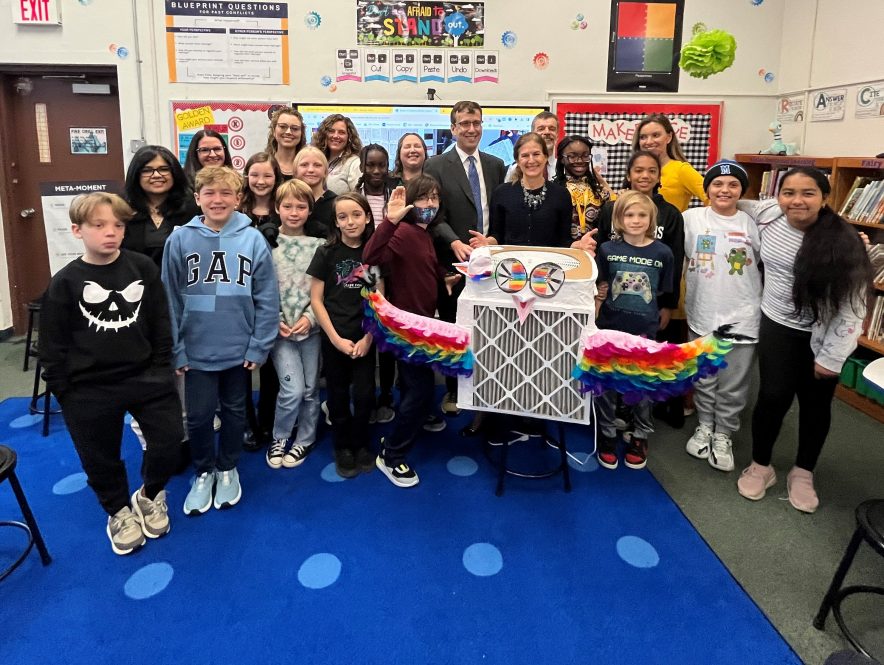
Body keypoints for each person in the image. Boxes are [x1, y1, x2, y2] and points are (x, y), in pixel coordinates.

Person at [39, 192, 183, 555]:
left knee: (168, 443)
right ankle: (118, 510)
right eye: (99, 225)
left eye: (118, 225)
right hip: (88, 386)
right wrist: (65, 392)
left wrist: (160, 369)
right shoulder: (65, 283)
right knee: (100, 456)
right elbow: (52, 344)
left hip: (146, 376)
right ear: (77, 230)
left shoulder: (142, 268)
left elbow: (159, 323)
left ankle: (150, 494)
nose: (111, 232)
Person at [735, 167, 871, 513]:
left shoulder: (846, 242)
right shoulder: (769, 215)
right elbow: (736, 199)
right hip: (777, 325)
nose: (796, 200)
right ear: (777, 196)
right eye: (788, 192)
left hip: (823, 335)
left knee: (815, 406)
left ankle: (803, 471)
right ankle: (761, 465)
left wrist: (833, 357)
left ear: (826, 198)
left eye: (808, 193)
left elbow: (853, 307)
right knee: (772, 396)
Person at [162, 166, 280, 515]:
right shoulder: (180, 239)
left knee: (234, 414)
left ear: (238, 198)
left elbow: (266, 297)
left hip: (238, 349)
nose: (218, 200)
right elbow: (169, 298)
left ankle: (228, 468)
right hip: (195, 351)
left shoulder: (252, 239)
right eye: (209, 193)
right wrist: (177, 347)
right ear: (197, 198)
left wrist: (259, 344)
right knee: (197, 417)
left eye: (225, 193)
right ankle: (203, 472)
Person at [363, 176, 456, 488]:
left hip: (422, 324)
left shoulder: (423, 234)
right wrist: (390, 221)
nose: (429, 205)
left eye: (434, 198)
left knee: (416, 385)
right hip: (407, 329)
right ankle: (391, 454)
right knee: (421, 390)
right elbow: (369, 257)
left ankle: (415, 418)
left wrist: (443, 276)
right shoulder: (402, 231)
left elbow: (423, 267)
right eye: (423, 199)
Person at [425, 100, 507, 416]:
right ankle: (452, 391)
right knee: (454, 329)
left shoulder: (496, 164)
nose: (471, 129)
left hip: (492, 262)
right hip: (453, 264)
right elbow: (433, 213)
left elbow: (499, 213)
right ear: (454, 128)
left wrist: (495, 241)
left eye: (476, 123)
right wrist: (455, 241)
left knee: (489, 329)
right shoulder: (435, 166)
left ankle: (488, 391)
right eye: (464, 124)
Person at [682, 160, 761, 473]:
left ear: (741, 191)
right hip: (702, 313)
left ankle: (724, 432)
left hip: (743, 315)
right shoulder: (691, 219)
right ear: (707, 189)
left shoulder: (752, 223)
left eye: (732, 185)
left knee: (732, 384)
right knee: (704, 377)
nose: (724, 190)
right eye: (717, 184)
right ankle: (704, 425)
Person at [594, 191, 674, 470]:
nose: (636, 220)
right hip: (610, 327)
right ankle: (605, 434)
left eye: (642, 215)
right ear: (618, 219)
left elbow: (662, 290)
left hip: (644, 330)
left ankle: (640, 435)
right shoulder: (606, 250)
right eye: (629, 215)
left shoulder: (663, 252)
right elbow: (601, 286)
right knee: (605, 386)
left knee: (641, 386)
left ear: (651, 218)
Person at [307, 193, 379, 478]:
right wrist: (336, 339)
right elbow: (316, 300)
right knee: (337, 394)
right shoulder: (326, 253)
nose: (350, 222)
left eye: (356, 215)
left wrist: (368, 338)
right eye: (342, 217)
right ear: (335, 222)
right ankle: (343, 445)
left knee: (363, 394)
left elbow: (377, 299)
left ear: (368, 217)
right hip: (334, 336)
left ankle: (361, 442)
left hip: (364, 337)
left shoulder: (372, 253)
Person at [265, 179, 325, 470]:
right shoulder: (266, 244)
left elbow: (326, 291)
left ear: (310, 210)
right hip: (279, 333)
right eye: (287, 206)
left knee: (311, 389)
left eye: (301, 206)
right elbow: (259, 289)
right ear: (277, 208)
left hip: (310, 330)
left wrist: (310, 319)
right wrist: (274, 321)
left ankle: (305, 438)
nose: (293, 212)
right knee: (292, 390)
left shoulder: (321, 246)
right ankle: (280, 436)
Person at [239, 152, 284, 449]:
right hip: (240, 301)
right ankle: (248, 424)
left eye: (267, 175)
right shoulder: (235, 211)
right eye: (255, 175)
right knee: (241, 367)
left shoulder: (286, 210)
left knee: (272, 368)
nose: (261, 181)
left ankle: (267, 422)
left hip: (276, 298)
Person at [470, 132, 573, 249]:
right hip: (511, 264)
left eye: (536, 154)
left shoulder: (561, 195)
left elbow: (564, 240)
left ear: (545, 157)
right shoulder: (501, 193)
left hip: (548, 263)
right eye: (525, 156)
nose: (531, 160)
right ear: (517, 161)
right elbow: (497, 235)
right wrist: (487, 242)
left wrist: (578, 245)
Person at [123, 145, 198, 267]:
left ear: (174, 173)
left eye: (164, 169)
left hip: (182, 282)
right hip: (136, 283)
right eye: (147, 170)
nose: (157, 175)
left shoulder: (193, 209)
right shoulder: (122, 211)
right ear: (136, 174)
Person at [632, 114, 708, 212]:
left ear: (669, 137)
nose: (649, 141)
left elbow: (712, 198)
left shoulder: (681, 170)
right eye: (643, 137)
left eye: (655, 135)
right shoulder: (635, 171)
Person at [553, 135, 614, 245]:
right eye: (572, 156)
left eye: (585, 156)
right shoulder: (553, 191)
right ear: (562, 159)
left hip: (595, 251)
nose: (580, 161)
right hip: (563, 252)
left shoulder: (599, 192)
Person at [312, 114, 363, 195]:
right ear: (324, 134)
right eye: (331, 131)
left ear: (349, 137)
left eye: (341, 132)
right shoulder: (316, 159)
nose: (335, 136)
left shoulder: (354, 163)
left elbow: (360, 199)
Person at [294, 146, 337, 239]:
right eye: (304, 165)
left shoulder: (336, 204)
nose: (310, 170)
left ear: (325, 171)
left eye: (317, 165)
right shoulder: (286, 200)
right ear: (295, 171)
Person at [505, 111, 560, 182]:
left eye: (552, 129)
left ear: (557, 135)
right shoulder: (515, 169)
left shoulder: (563, 169)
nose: (547, 132)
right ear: (532, 134)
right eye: (541, 129)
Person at [357, 143, 393, 229]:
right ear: (361, 167)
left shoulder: (394, 199)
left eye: (382, 165)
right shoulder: (354, 199)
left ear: (387, 167)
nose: (376, 171)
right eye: (370, 165)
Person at [265, 106, 307, 179]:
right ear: (273, 131)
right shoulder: (263, 165)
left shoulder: (308, 168)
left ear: (301, 133)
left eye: (295, 128)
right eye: (282, 126)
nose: (288, 132)